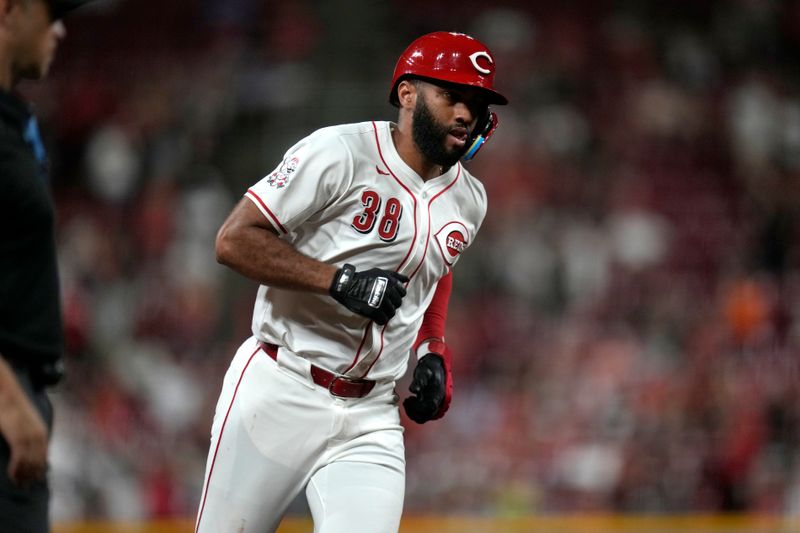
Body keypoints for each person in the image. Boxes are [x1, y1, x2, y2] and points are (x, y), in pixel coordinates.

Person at [195, 31, 507, 533]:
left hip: (371, 416)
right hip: (282, 384)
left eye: (476, 102)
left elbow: (435, 268)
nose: (466, 114)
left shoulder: (470, 199)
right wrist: (337, 281)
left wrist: (433, 348)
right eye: (452, 96)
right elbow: (233, 241)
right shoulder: (340, 151)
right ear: (408, 93)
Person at [0, 1, 92, 531]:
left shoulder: (11, 120)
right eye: (51, 11)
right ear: (10, 10)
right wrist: (9, 400)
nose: (59, 29)